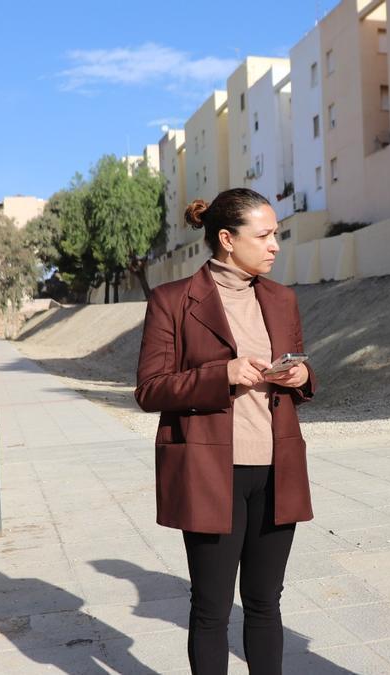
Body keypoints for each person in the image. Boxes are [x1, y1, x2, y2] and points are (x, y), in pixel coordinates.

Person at [134, 188, 316, 675]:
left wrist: (300, 376)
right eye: (265, 235)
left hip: (277, 468)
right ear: (227, 239)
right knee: (212, 608)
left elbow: (298, 365)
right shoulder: (172, 300)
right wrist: (224, 374)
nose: (276, 244)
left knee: (265, 603)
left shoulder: (281, 298)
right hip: (213, 472)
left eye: (276, 233)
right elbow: (150, 389)